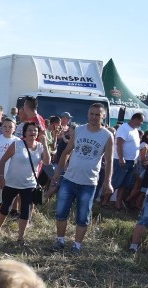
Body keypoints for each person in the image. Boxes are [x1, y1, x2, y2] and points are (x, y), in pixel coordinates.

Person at [47, 103, 114, 254]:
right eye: (92, 114)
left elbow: (109, 161)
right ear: (88, 114)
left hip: (89, 183)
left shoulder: (107, 136)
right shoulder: (79, 130)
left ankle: (76, 246)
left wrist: (108, 181)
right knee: (61, 212)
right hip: (69, 179)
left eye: (98, 114)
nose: (94, 117)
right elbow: (66, 152)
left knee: (83, 217)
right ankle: (60, 241)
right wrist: (57, 173)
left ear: (103, 116)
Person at [0, 121, 51, 245]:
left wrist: (45, 144)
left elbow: (46, 162)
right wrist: (2, 177)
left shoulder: (40, 147)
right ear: (25, 132)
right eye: (30, 130)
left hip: (29, 184)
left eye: (35, 131)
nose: (33, 133)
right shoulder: (17, 144)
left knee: (25, 210)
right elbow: (3, 160)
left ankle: (20, 238)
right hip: (11, 182)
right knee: (5, 208)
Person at [110, 111, 143, 210]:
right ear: (135, 119)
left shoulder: (135, 130)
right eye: (141, 121)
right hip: (122, 160)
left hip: (131, 161)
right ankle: (105, 201)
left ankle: (118, 204)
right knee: (115, 183)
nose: (141, 124)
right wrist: (121, 158)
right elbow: (119, 143)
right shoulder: (124, 128)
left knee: (124, 185)